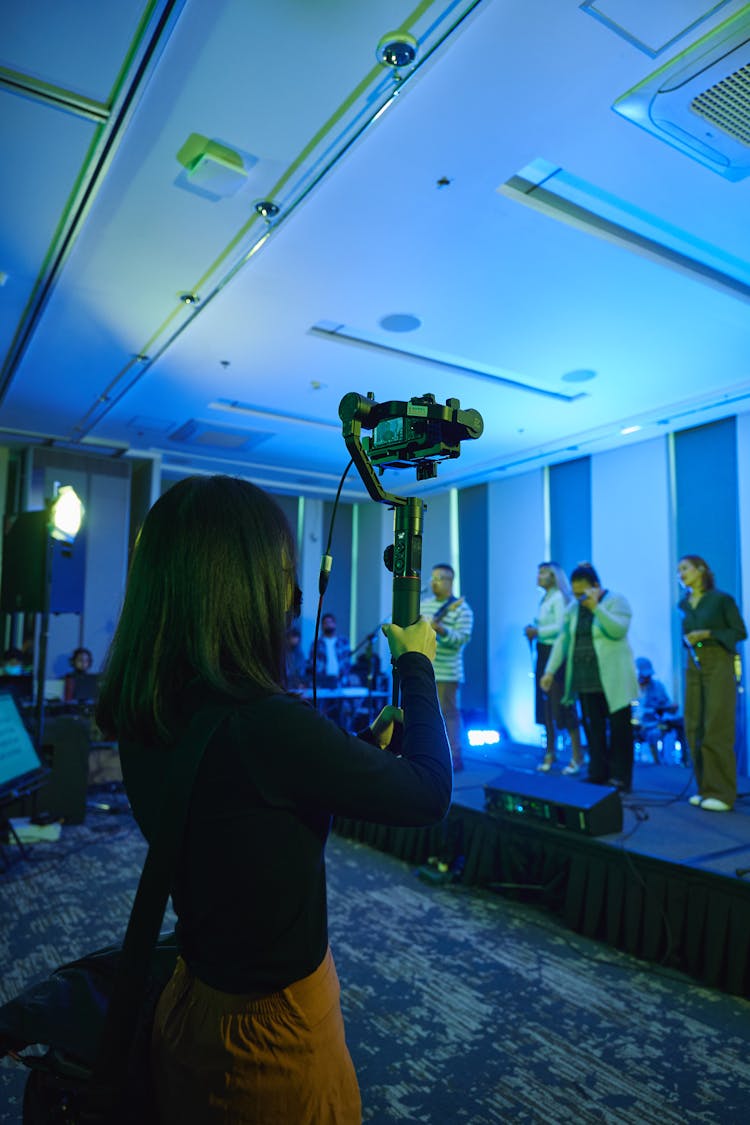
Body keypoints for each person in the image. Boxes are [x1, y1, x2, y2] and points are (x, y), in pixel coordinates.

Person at [95, 475, 451, 1124]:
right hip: (270, 1039)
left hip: (192, 1001)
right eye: (281, 572)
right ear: (239, 585)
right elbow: (429, 791)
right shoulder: (264, 724)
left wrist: (348, 749)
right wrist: (419, 664)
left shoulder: (151, 706)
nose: (289, 598)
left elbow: (246, 809)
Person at [541, 563, 637, 792]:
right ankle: (598, 773)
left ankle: (620, 778)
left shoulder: (616, 601)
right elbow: (563, 640)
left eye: (583, 592)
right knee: (593, 728)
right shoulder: (573, 608)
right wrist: (550, 671)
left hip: (613, 678)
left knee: (619, 729)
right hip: (585, 679)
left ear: (596, 586)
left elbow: (618, 630)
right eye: (575, 593)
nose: (579, 597)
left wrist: (597, 608)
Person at [678, 554, 747, 812]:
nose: (681, 573)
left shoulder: (721, 600)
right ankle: (704, 787)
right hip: (694, 663)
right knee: (694, 724)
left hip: (719, 660)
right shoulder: (683, 604)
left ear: (700, 570)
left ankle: (722, 791)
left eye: (685, 568)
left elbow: (740, 632)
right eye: (679, 570)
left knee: (717, 725)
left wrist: (707, 633)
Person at [524, 562, 584, 774]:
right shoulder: (546, 598)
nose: (539, 576)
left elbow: (561, 628)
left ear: (554, 575)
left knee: (562, 705)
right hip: (542, 653)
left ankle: (577, 755)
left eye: (543, 572)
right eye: (538, 572)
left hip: (555, 656)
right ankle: (550, 751)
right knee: (546, 706)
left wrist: (537, 631)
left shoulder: (559, 597)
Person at [421, 563, 474, 772]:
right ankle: (427, 753)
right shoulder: (424, 605)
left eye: (439, 578)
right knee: (424, 711)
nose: (434, 582)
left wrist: (442, 630)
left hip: (447, 670)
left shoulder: (461, 609)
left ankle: (454, 755)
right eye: (432, 578)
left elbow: (462, 639)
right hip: (424, 667)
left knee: (448, 712)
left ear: (450, 581)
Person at [633, 657, 683, 764]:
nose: (647, 678)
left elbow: (668, 707)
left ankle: (660, 763)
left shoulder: (658, 687)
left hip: (655, 725)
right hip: (635, 727)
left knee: (656, 733)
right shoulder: (630, 688)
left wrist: (670, 708)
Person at [284, 626, 309, 690]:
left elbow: (302, 671)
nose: (294, 639)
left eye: (296, 637)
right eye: (292, 637)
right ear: (287, 638)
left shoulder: (300, 653)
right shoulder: (283, 653)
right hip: (285, 685)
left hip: (299, 685)